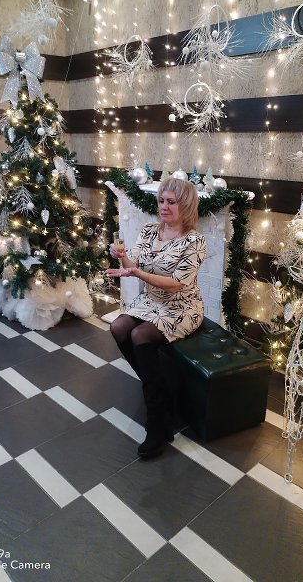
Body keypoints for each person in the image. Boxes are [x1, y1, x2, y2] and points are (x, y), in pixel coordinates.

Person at [105, 177, 206, 458]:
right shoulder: (150, 231)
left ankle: (156, 420)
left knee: (140, 335)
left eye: (171, 202)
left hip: (182, 306)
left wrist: (136, 273)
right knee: (119, 326)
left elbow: (175, 284)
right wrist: (122, 256)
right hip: (150, 301)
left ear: (185, 206)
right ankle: (161, 395)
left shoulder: (194, 241)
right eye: (161, 200)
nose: (164, 206)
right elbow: (133, 264)